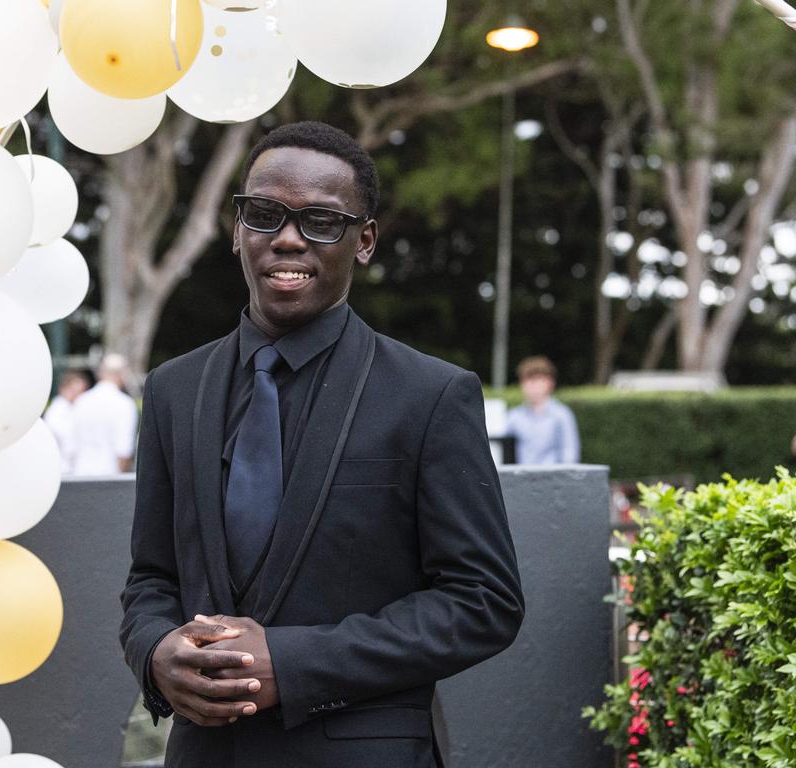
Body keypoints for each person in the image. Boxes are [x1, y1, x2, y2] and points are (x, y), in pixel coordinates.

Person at [119, 122, 524, 768]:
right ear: (235, 228)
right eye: (264, 214)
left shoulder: (430, 396)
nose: (286, 238)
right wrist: (155, 650)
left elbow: (484, 602)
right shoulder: (172, 391)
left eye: (320, 222)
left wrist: (292, 660)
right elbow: (152, 578)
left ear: (363, 241)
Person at [70, 354, 139, 477]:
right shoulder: (124, 404)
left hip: (79, 471)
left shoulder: (82, 401)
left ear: (101, 373)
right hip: (109, 474)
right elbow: (124, 450)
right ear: (122, 374)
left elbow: (71, 443)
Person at [506, 356, 581, 464]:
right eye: (527, 380)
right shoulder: (513, 416)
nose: (532, 385)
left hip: (553, 478)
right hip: (520, 478)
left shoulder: (562, 415)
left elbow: (570, 456)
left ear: (550, 383)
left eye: (537, 380)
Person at [43, 370, 91, 475]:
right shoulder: (58, 410)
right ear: (64, 389)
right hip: (63, 468)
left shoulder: (70, 408)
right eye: (75, 391)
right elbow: (67, 440)